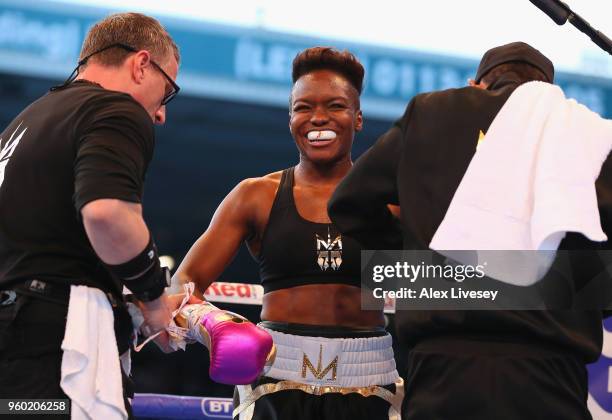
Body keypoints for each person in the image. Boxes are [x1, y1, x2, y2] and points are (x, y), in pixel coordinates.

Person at [329, 41, 612, 420]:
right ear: (546, 88)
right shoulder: (588, 133)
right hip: (551, 372)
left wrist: (424, 261)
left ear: (476, 84)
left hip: (445, 369)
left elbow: (347, 203)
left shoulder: (430, 112)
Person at [174, 47, 403, 420]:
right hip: (272, 383)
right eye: (303, 107)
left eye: (335, 106)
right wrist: (213, 325)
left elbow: (450, 282)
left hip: (371, 382)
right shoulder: (255, 196)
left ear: (358, 117)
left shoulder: (392, 200)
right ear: (290, 117)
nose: (318, 118)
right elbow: (182, 284)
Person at [0, 12, 183, 418]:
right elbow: (107, 214)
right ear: (140, 64)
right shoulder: (116, 110)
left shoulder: (26, 121)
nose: (161, 113)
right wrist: (154, 300)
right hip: (52, 342)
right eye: (167, 92)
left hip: (16, 337)